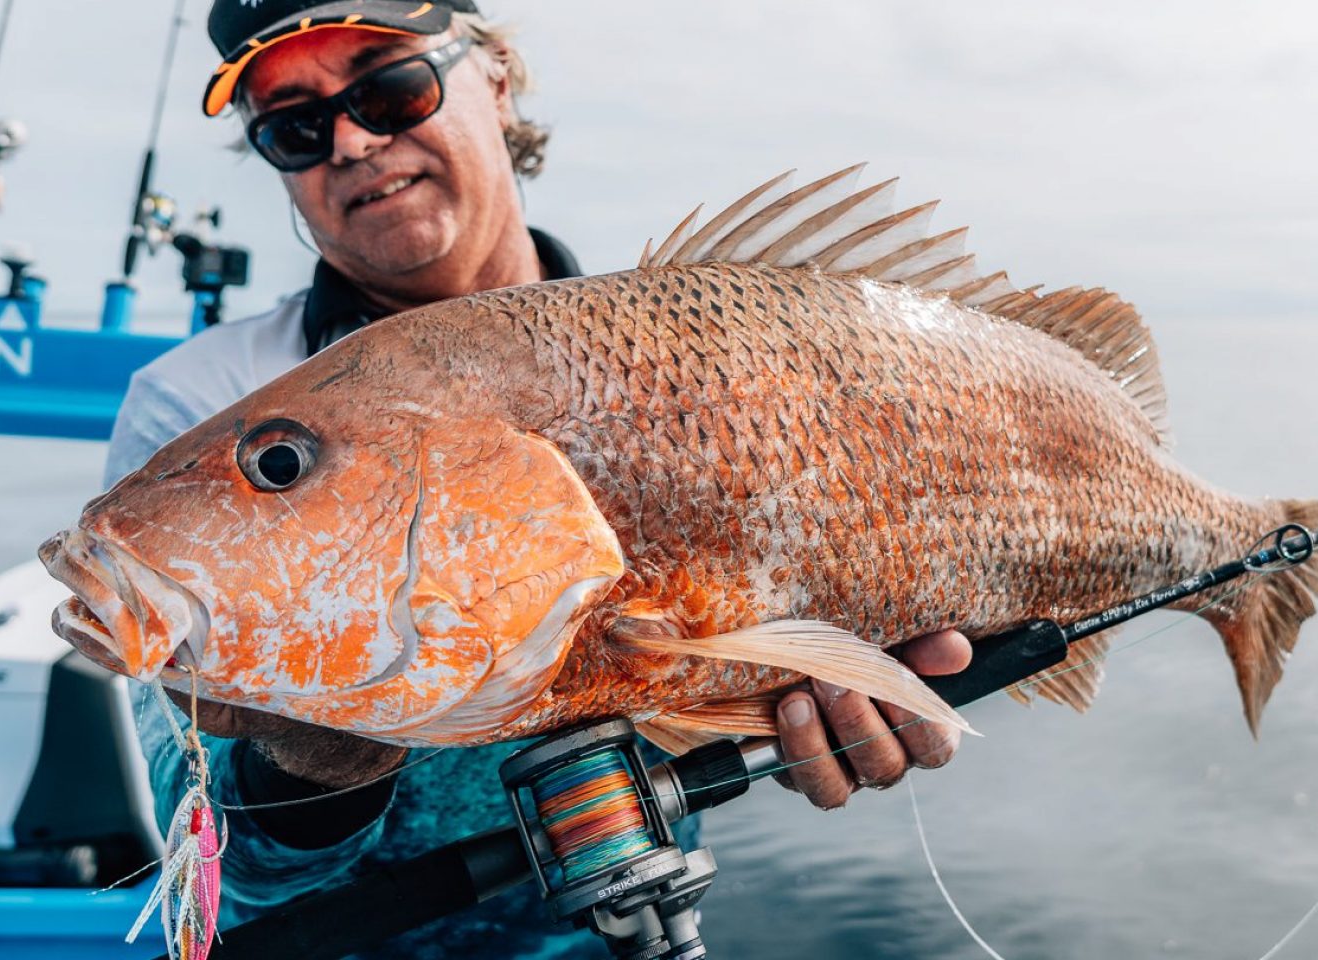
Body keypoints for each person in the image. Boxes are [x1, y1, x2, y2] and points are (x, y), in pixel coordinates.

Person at [104, 2, 972, 956]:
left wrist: (858, 701)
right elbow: (215, 871)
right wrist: (313, 763)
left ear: (498, 80)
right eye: (294, 126)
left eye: (392, 88)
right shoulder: (199, 402)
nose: (350, 141)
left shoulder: (698, 345)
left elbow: (781, 666)